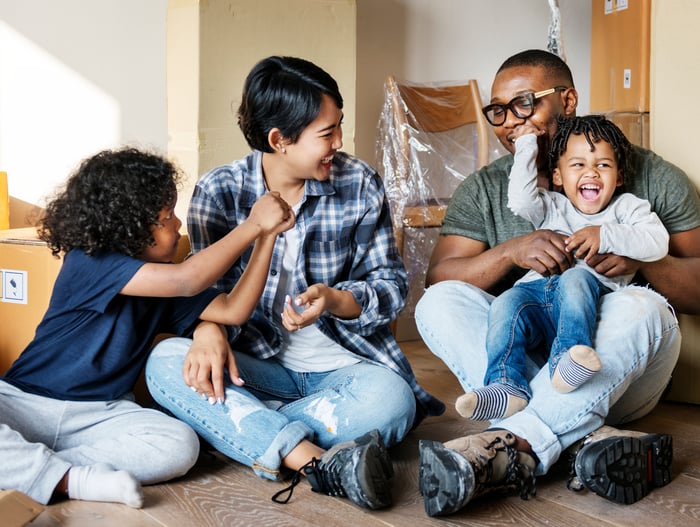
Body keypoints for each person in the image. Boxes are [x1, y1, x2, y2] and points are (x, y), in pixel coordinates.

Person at [144, 56, 444, 511]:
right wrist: (206, 331)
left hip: (344, 370)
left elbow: (392, 286)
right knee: (164, 360)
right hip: (253, 366)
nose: (340, 143)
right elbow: (205, 293)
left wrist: (335, 299)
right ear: (279, 140)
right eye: (327, 133)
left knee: (394, 403)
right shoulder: (219, 191)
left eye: (338, 127)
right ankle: (312, 456)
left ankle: (245, 430)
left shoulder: (358, 183)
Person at [415, 49, 699, 516]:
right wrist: (511, 251)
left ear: (567, 101)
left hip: (616, 372)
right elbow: (441, 277)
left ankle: (510, 443)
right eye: (500, 111)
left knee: (641, 306)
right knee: (437, 302)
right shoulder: (491, 189)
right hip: (528, 365)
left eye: (526, 104)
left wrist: (638, 261)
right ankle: (585, 440)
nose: (511, 122)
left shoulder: (650, 180)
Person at [0, 147, 294, 508]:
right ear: (130, 225)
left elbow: (233, 310)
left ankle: (32, 467)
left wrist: (267, 237)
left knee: (178, 444)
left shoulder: (165, 286)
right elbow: (188, 279)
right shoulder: (90, 262)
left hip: (101, 414)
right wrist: (252, 225)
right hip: (24, 401)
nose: (178, 224)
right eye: (167, 216)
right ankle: (71, 479)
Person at [456, 115, 669, 422]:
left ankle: (566, 361)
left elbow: (657, 241)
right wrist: (527, 143)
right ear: (558, 176)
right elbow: (518, 199)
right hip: (536, 295)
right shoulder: (551, 205)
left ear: (619, 177)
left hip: (593, 301)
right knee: (506, 302)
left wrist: (605, 234)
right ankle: (506, 384)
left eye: (604, 165)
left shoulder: (628, 208)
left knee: (576, 277)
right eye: (578, 165)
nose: (591, 172)